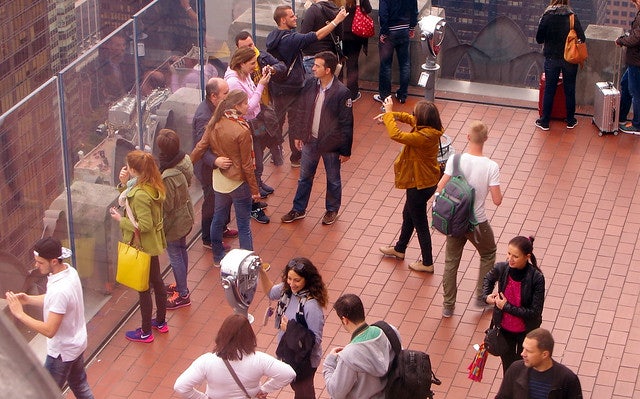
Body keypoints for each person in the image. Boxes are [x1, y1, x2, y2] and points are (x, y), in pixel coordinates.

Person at [5, 237, 95, 399]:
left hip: (61, 353)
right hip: (77, 344)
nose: (36, 265)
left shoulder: (59, 290)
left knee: (46, 394)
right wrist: (29, 299)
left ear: (53, 261)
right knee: (80, 385)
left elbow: (49, 330)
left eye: (40, 263)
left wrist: (19, 313)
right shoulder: (70, 272)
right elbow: (56, 303)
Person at [266, 4, 347, 167]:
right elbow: (316, 35)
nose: (295, 17)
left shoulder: (273, 36)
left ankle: (276, 154)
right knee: (294, 121)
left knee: (277, 120)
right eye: (291, 16)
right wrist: (336, 21)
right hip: (292, 87)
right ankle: (295, 157)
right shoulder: (290, 39)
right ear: (283, 20)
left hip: (278, 87)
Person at [281, 51, 353, 226]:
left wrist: (345, 151)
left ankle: (332, 210)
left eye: (317, 66)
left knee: (333, 179)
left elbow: (347, 123)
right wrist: (298, 134)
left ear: (327, 70)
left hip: (331, 145)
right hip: (310, 140)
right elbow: (301, 110)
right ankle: (298, 209)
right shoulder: (310, 84)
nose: (312, 68)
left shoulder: (342, 92)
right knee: (304, 176)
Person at [439, 121, 502, 318]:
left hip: (455, 221)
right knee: (488, 252)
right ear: (486, 139)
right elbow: (497, 200)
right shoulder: (491, 166)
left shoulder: (455, 160)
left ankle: (448, 305)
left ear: (467, 137)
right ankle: (482, 296)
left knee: (451, 262)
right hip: (477, 222)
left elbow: (440, 187)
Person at [191, 90, 262, 266]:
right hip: (238, 183)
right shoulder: (241, 129)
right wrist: (255, 190)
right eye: (245, 103)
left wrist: (187, 163)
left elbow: (200, 147)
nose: (248, 106)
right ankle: (247, 263)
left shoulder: (214, 121)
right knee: (244, 224)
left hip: (219, 180)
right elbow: (246, 164)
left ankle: (218, 257)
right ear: (236, 106)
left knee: (217, 218)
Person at [377, 98, 443, 272]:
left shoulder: (423, 136)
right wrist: (389, 116)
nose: (413, 116)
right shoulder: (429, 128)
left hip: (419, 185)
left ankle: (427, 263)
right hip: (423, 181)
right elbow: (407, 118)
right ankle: (400, 249)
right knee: (408, 214)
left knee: (419, 222)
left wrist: (389, 113)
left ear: (423, 118)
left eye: (416, 114)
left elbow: (396, 135)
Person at [110, 150, 168, 342]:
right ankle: (160, 321)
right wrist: (124, 184)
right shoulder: (152, 184)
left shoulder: (141, 194)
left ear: (134, 170)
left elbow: (143, 225)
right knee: (157, 282)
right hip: (153, 243)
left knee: (143, 287)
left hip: (143, 245)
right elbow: (130, 199)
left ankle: (145, 332)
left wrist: (120, 220)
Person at [174, 314, 296, 399]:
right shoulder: (259, 359)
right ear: (249, 335)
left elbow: (181, 386)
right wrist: (264, 389)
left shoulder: (207, 361)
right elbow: (289, 374)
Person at [258, 257, 328, 399]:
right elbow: (271, 292)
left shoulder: (312, 306)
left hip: (304, 361)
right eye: (289, 278)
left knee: (304, 393)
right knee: (298, 388)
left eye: (297, 280)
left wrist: (289, 328)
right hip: (290, 352)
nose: (292, 284)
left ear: (307, 280)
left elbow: (315, 340)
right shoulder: (287, 290)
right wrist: (261, 271)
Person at [482, 236, 545, 374]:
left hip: (526, 332)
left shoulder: (536, 278)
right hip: (504, 331)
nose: (510, 259)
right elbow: (488, 278)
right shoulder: (502, 268)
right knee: (509, 370)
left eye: (515, 256)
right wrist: (487, 297)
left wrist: (506, 306)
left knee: (525, 369)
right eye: (509, 253)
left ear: (527, 257)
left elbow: (534, 312)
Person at [192, 78, 238, 250]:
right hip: (207, 169)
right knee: (211, 201)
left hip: (221, 164)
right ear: (213, 96)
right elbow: (200, 146)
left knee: (225, 197)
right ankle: (208, 238)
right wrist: (215, 160)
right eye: (225, 93)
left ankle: (222, 227)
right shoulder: (204, 116)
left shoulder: (219, 107)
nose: (228, 96)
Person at [322, 293, 396, 399]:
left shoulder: (348, 357)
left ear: (344, 319)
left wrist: (329, 364)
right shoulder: (389, 331)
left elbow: (336, 392)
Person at [225, 46, 274, 203]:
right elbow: (248, 106)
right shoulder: (233, 82)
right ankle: (254, 198)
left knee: (258, 162)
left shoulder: (244, 75)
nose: (255, 67)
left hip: (254, 122)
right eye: (252, 64)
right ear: (241, 63)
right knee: (255, 163)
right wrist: (261, 85)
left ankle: (258, 184)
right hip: (246, 125)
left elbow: (252, 96)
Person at [235, 30, 287, 166]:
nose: (250, 49)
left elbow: (282, 66)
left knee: (274, 131)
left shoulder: (262, 56)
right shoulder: (238, 68)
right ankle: (262, 163)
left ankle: (276, 154)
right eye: (245, 48)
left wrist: (272, 69)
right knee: (260, 138)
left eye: (251, 45)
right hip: (253, 112)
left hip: (267, 103)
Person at [156, 129, 195, 310]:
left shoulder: (167, 176)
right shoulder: (184, 160)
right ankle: (181, 285)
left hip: (174, 223)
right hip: (185, 215)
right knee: (181, 250)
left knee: (175, 255)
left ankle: (183, 293)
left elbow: (167, 206)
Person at [535, 0, 585, 131]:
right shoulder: (572, 17)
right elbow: (582, 38)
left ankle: (545, 121)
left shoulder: (547, 16)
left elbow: (539, 39)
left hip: (551, 58)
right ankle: (570, 120)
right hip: (569, 58)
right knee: (569, 89)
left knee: (549, 89)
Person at [495, 328, 583, 399]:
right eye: (523, 349)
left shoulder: (567, 379)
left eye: (529, 351)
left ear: (544, 354)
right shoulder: (515, 369)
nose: (523, 354)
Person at [374, 0, 418, 105]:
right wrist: (411, 27)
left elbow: (383, 14)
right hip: (404, 30)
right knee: (405, 64)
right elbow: (414, 11)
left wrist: (384, 32)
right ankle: (402, 95)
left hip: (390, 31)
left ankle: (385, 96)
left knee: (386, 65)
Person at [300, 0, 343, 77]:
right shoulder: (337, 10)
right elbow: (340, 35)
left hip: (312, 56)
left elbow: (304, 35)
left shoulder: (312, 10)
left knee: (311, 87)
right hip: (330, 56)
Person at [617, 0, 640, 133]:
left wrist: (621, 41)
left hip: (636, 61)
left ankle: (637, 125)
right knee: (625, 84)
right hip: (635, 60)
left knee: (636, 92)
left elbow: (636, 39)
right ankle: (621, 116)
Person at [342, 0, 373, 101]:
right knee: (352, 64)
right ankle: (352, 94)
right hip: (356, 32)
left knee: (339, 63)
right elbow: (368, 9)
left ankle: (338, 92)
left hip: (340, 30)